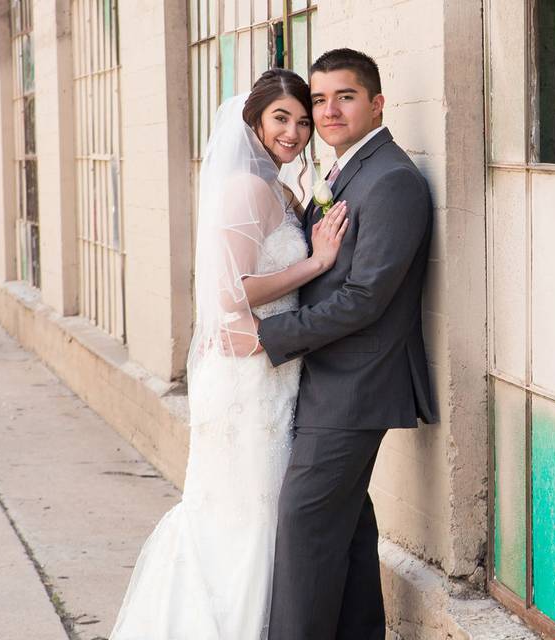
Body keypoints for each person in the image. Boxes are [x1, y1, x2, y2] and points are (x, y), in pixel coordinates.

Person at [108, 68, 350, 640]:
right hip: (245, 374)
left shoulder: (277, 188)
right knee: (248, 515)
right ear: (255, 123)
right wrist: (314, 264)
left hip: (268, 370)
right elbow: (229, 292)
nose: (294, 132)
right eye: (281, 119)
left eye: (302, 120)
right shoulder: (244, 188)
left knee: (258, 513)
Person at [254, 49, 438, 640]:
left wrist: (272, 335)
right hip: (329, 380)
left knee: (304, 527)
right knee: (348, 529)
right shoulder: (342, 172)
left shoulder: (391, 180)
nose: (328, 111)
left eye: (346, 97)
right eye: (319, 99)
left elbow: (365, 297)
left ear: (378, 103)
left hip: (356, 386)